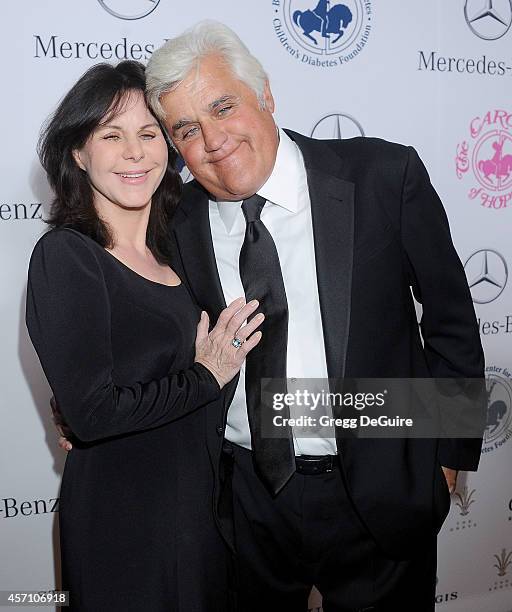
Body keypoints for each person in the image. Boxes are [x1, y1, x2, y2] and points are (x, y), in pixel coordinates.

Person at [141, 21, 485, 612]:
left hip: (379, 486)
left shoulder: (382, 176)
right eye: (187, 129)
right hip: (245, 498)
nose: (214, 139)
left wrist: (450, 457)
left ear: (266, 96)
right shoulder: (175, 223)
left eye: (224, 106)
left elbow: (450, 318)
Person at [26, 60, 263, 612]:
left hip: (207, 517)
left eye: (149, 133)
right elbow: (93, 414)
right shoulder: (67, 257)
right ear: (79, 154)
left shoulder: (183, 253)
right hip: (124, 525)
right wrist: (205, 376)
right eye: (111, 135)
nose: (135, 152)